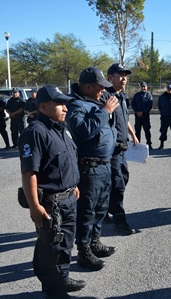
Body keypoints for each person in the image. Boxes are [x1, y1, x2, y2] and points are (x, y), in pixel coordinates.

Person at [19, 84, 85, 299]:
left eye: (65, 103)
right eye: (59, 104)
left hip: (68, 199)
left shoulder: (61, 128)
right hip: (50, 203)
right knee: (51, 248)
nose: (65, 108)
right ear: (44, 106)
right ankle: (52, 290)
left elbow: (65, 163)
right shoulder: (35, 132)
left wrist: (73, 186)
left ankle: (63, 279)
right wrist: (35, 207)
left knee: (66, 244)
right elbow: (30, 173)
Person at [66, 67, 119, 271]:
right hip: (89, 167)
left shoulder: (94, 101)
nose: (102, 91)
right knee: (87, 211)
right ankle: (84, 251)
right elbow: (82, 131)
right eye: (99, 88)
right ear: (88, 86)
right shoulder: (76, 105)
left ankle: (95, 242)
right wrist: (105, 112)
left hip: (104, 165)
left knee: (101, 208)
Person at [104, 63, 139, 235]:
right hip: (112, 150)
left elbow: (124, 119)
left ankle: (103, 211)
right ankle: (119, 219)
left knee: (122, 179)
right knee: (117, 184)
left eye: (126, 75)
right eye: (120, 75)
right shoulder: (106, 97)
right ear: (110, 78)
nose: (124, 78)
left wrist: (133, 134)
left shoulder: (122, 97)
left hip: (122, 148)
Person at [131, 82, 153, 149]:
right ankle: (137, 144)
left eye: (144, 86)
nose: (143, 88)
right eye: (142, 86)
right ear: (140, 87)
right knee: (137, 131)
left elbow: (149, 105)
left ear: (147, 87)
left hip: (145, 116)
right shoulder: (136, 95)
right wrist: (137, 111)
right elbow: (133, 104)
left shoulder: (149, 96)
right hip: (137, 116)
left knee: (147, 130)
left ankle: (149, 144)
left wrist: (143, 112)